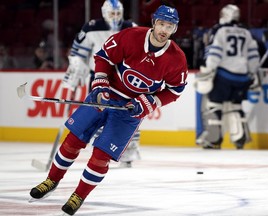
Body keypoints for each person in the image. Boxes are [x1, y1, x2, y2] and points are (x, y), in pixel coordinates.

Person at [29, 5, 188, 215]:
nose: (164, 30)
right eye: (161, 24)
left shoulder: (177, 59)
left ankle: (79, 195)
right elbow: (103, 57)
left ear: (174, 29)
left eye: (169, 26)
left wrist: (148, 102)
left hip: (130, 111)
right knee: (73, 141)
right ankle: (51, 180)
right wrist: (101, 82)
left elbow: (175, 90)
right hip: (106, 96)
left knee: (101, 156)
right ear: (154, 22)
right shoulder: (131, 36)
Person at [62, 0, 139, 167]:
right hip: (99, 78)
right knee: (98, 113)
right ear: (104, 13)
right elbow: (77, 52)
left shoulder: (131, 27)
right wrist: (76, 66)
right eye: (112, 13)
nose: (116, 17)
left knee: (128, 114)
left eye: (118, 13)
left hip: (123, 80)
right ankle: (101, 151)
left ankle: (129, 149)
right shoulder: (91, 27)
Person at [194, 4, 260, 150]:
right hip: (242, 77)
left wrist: (208, 70)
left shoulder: (220, 30)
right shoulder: (246, 32)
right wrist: (253, 73)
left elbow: (215, 53)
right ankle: (240, 138)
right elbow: (253, 57)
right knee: (236, 106)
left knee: (213, 105)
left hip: (224, 75)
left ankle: (213, 139)